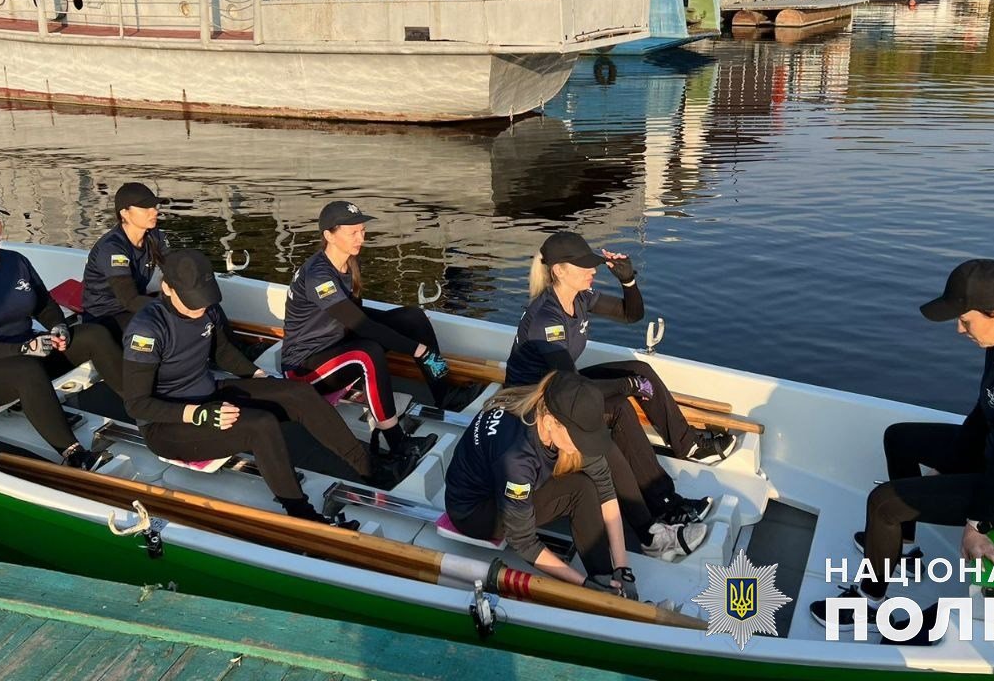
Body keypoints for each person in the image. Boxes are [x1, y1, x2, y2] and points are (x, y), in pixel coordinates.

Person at [810, 259, 994, 627]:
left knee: (884, 504)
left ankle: (867, 601)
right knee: (899, 438)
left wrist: (977, 526)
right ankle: (904, 549)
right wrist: (952, 460)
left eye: (965, 320)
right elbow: (984, 411)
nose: (959, 329)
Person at [121, 249, 400, 522]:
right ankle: (301, 515)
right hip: (166, 425)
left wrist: (257, 376)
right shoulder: (147, 330)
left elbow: (223, 353)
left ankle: (368, 468)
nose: (200, 308)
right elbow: (136, 404)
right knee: (261, 424)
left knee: (298, 393)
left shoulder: (208, 309)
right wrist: (197, 413)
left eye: (204, 301)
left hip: (208, 393)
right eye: (193, 302)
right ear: (167, 288)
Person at [508, 232, 735, 525]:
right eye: (584, 265)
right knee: (618, 409)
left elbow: (631, 314)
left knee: (640, 371)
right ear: (559, 271)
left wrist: (628, 281)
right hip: (533, 404)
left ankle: (687, 444)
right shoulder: (547, 319)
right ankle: (664, 504)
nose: (593, 270)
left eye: (592, 263)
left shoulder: (580, 298)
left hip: (559, 386)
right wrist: (625, 388)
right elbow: (574, 390)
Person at [445, 372, 699, 594]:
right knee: (580, 490)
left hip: (502, 478)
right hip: (476, 510)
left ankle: (613, 579)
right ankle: (602, 585)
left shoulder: (550, 409)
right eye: (579, 437)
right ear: (550, 423)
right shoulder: (516, 459)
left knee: (590, 480)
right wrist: (582, 585)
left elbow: (605, 485)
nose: (583, 444)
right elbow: (523, 540)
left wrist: (623, 566)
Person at [0, 190, 121, 469]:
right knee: (25, 369)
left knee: (93, 335)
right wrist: (24, 348)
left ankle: (146, 408)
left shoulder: (16, 262)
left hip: (26, 354)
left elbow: (44, 304)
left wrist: (58, 327)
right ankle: (75, 455)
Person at [280, 201, 442, 464]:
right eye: (353, 232)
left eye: (363, 231)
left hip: (336, 343)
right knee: (368, 352)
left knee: (412, 317)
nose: (361, 238)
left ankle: (444, 389)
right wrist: (418, 350)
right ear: (329, 235)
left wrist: (419, 346)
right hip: (305, 367)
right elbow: (362, 325)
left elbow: (359, 318)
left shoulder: (348, 263)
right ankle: (396, 443)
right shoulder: (319, 277)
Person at [81, 181, 169, 356]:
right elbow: (129, 299)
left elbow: (176, 271)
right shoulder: (112, 248)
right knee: (157, 324)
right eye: (145, 208)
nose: (154, 211)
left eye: (154, 206)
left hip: (135, 305)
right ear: (124, 213)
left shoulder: (156, 236)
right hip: (105, 316)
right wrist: (171, 308)